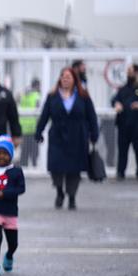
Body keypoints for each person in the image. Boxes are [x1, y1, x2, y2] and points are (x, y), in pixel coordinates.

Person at [36, 66, 100, 210]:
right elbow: (45, 115)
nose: (65, 79)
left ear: (74, 80)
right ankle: (59, 192)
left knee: (74, 169)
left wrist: (94, 134)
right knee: (56, 167)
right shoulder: (52, 96)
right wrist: (38, 132)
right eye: (63, 76)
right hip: (57, 136)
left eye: (68, 77)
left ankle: (72, 197)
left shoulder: (83, 96)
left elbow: (92, 116)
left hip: (78, 137)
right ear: (60, 79)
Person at [0, 135, 26, 276]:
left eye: (5, 154)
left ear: (11, 155)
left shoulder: (16, 171)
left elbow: (21, 189)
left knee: (13, 243)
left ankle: (9, 255)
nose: (1, 157)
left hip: (10, 211)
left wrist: (5, 193)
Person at [113, 63, 138, 180]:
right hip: (123, 124)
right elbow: (115, 98)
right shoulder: (125, 87)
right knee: (122, 150)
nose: (128, 74)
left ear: (137, 72)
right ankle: (120, 172)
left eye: (130, 71)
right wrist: (116, 103)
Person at [19, 79, 43, 167]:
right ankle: (34, 167)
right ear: (36, 86)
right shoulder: (36, 96)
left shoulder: (23, 95)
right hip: (33, 128)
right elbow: (39, 112)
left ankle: (23, 167)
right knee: (34, 152)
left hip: (23, 128)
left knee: (24, 151)